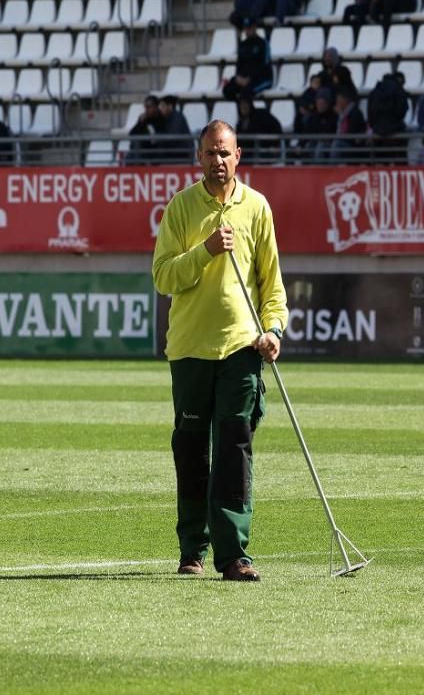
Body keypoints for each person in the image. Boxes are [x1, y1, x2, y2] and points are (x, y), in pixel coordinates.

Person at [151, 120, 288, 582]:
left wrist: (273, 329)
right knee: (191, 452)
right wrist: (206, 251)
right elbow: (163, 277)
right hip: (190, 350)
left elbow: (273, 287)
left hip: (241, 350)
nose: (218, 161)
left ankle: (234, 555)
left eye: (225, 153)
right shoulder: (182, 207)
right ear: (199, 157)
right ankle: (193, 548)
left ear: (238, 155)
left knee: (234, 448)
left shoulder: (257, 208)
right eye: (210, 153)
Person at [222, 18, 273, 101]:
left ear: (254, 28)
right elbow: (239, 64)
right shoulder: (242, 45)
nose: (247, 31)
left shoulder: (263, 44)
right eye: (246, 28)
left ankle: (248, 112)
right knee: (228, 90)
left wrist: (250, 79)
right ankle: (240, 111)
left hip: (261, 79)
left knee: (245, 93)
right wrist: (239, 77)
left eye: (249, 28)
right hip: (244, 79)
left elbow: (264, 66)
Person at [367, 71, 409, 163]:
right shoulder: (398, 90)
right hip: (396, 132)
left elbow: (370, 113)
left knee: (380, 165)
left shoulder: (374, 91)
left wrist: (376, 127)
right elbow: (402, 110)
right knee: (399, 165)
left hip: (378, 133)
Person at [235, 94, 283, 163]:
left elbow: (277, 127)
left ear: (250, 105)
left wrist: (275, 145)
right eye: (241, 105)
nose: (244, 107)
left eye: (246, 104)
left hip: (263, 151)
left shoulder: (261, 115)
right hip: (247, 155)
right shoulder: (240, 122)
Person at [330, 86, 367, 163]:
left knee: (336, 145)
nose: (337, 102)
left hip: (353, 145)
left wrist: (340, 114)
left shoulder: (355, 113)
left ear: (345, 100)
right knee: (322, 146)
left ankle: (332, 171)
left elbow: (351, 134)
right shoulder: (340, 113)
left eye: (339, 100)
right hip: (341, 142)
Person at [127, 95, 164, 164]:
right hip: (140, 150)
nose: (146, 109)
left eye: (149, 107)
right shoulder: (144, 119)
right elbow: (131, 134)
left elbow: (157, 139)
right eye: (145, 107)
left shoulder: (161, 119)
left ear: (156, 107)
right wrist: (140, 123)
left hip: (153, 151)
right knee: (129, 155)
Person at [304, 87, 338, 161]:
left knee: (320, 147)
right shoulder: (313, 116)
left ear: (327, 103)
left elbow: (333, 132)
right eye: (318, 103)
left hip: (328, 143)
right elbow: (307, 132)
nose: (320, 106)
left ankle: (320, 170)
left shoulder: (334, 116)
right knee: (308, 146)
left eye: (322, 104)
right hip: (315, 141)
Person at [156, 95, 192, 164]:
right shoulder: (165, 117)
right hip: (172, 152)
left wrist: (157, 137)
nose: (160, 109)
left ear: (170, 106)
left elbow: (172, 137)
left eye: (163, 106)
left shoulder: (177, 117)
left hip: (181, 154)